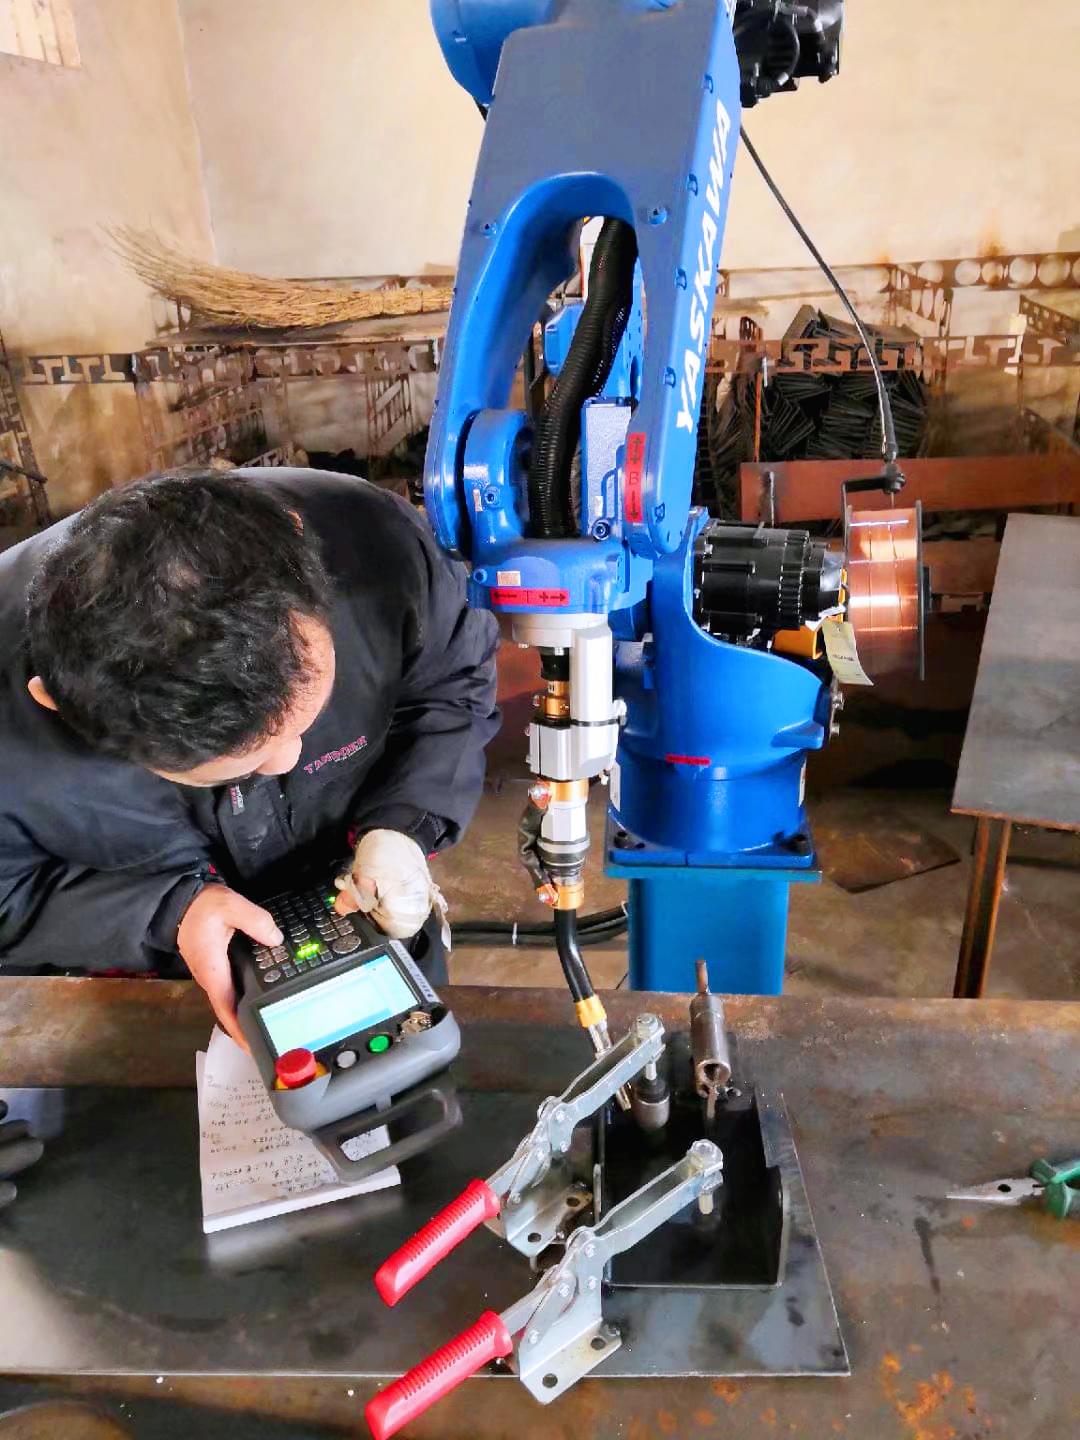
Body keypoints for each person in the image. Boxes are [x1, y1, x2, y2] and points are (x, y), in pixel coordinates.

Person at [0, 469, 499, 1046]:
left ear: (298, 540)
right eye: (236, 762)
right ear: (56, 704)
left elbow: (453, 687)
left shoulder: (381, 550)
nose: (287, 761)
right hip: (159, 971)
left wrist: (407, 823)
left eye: (303, 721)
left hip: (366, 900)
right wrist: (166, 915)